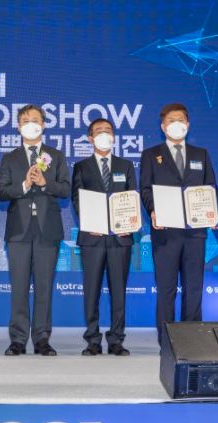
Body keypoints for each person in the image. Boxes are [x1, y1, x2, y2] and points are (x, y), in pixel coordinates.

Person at [139, 103, 218, 344]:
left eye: (181, 120)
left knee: (194, 287)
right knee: (166, 289)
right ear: (163, 126)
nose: (176, 124)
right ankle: (167, 340)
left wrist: (213, 213)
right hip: (166, 232)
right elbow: (145, 189)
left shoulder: (200, 154)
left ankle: (192, 339)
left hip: (195, 232)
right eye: (171, 120)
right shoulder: (151, 155)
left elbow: (210, 187)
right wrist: (153, 210)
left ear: (188, 124)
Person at [0, 104, 70, 356]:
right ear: (18, 127)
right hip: (19, 230)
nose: (31, 124)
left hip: (47, 229)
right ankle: (17, 339)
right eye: (25, 120)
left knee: (44, 287)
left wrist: (45, 183)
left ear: (44, 125)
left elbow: (65, 189)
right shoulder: (10, 158)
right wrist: (25, 185)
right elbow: (1, 192)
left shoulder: (55, 156)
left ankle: (42, 339)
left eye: (35, 120)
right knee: (18, 288)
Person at [72, 118, 136, 356]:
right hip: (93, 237)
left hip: (120, 238)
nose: (104, 134)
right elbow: (77, 198)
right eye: (98, 131)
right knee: (92, 291)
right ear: (90, 138)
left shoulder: (125, 165)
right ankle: (92, 339)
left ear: (114, 136)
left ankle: (117, 339)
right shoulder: (81, 166)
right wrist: (90, 222)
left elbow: (131, 196)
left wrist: (129, 223)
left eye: (108, 130)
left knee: (118, 291)